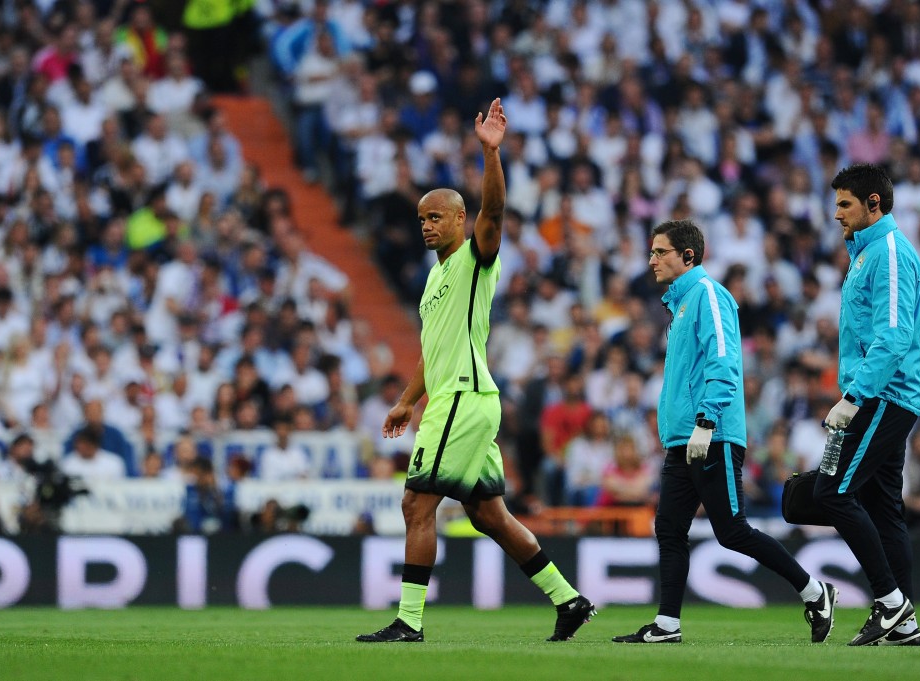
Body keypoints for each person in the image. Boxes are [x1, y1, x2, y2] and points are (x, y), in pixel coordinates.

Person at [356, 99, 595, 644]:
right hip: (458, 396)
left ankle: (409, 622)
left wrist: (491, 153)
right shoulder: (434, 280)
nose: (427, 226)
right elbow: (428, 353)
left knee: (417, 503)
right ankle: (569, 599)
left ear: (460, 219)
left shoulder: (475, 257)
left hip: (463, 398)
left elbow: (496, 214)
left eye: (435, 217)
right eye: (421, 219)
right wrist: (405, 400)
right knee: (488, 515)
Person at [613, 219, 836, 645]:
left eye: (660, 252)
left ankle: (815, 592)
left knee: (732, 530)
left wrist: (706, 422)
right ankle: (667, 625)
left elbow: (724, 363)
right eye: (652, 251)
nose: (652, 259)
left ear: (689, 256)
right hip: (684, 439)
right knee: (669, 528)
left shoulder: (709, 295)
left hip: (710, 435)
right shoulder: (680, 304)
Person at [814, 163, 920, 646]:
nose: (835, 213)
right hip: (879, 394)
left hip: (882, 395)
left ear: (873, 203)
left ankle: (890, 602)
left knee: (831, 492)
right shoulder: (867, 253)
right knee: (883, 510)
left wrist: (855, 396)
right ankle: (904, 624)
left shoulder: (891, 253)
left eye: (845, 203)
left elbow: (895, 334)